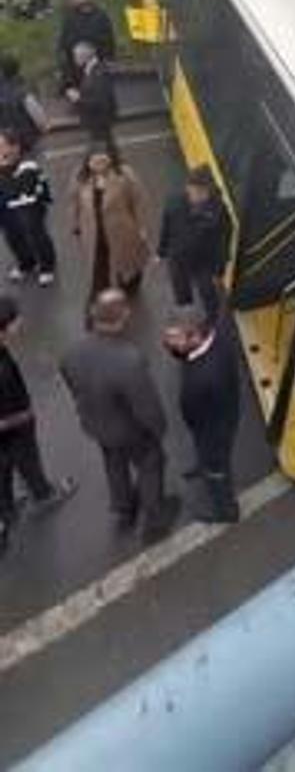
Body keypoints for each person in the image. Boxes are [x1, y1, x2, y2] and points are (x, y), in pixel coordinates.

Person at [60, 289, 179, 544]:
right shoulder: (129, 360)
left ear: (94, 314)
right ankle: (155, 519)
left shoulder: (71, 352)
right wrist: (159, 430)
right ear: (124, 316)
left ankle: (123, 506)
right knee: (150, 465)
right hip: (131, 431)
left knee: (114, 462)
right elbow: (146, 408)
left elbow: (72, 385)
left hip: (96, 425)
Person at [0, 294, 77, 554]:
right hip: (14, 429)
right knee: (27, 460)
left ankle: (7, 506)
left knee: (3, 470)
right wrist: (26, 415)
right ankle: (43, 493)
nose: (20, 322)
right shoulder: (3, 371)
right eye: (16, 319)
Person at [163, 317, 240, 524]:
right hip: (222, 414)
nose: (168, 343)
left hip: (213, 430)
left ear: (195, 337)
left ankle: (226, 511)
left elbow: (191, 414)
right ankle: (203, 465)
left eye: (174, 339)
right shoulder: (218, 338)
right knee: (208, 456)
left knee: (217, 469)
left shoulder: (201, 379)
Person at [71, 145, 150, 302]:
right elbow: (74, 203)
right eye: (95, 160)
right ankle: (103, 292)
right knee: (99, 262)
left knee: (127, 261)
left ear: (110, 159)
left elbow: (138, 201)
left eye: (103, 160)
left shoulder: (124, 174)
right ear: (88, 162)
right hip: (94, 230)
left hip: (121, 229)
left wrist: (142, 226)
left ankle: (130, 285)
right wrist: (76, 225)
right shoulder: (80, 177)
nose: (99, 164)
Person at [158, 167, 232, 326]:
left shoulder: (219, 211)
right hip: (178, 256)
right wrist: (161, 251)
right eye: (193, 190)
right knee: (180, 286)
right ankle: (186, 311)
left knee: (208, 292)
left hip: (204, 262)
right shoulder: (174, 202)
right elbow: (166, 227)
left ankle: (213, 320)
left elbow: (223, 242)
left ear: (209, 190)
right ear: (187, 187)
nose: (196, 195)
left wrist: (219, 270)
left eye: (201, 192)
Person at [0, 128, 56, 285]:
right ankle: (26, 263)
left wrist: (4, 169)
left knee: (36, 236)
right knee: (13, 237)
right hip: (6, 209)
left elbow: (21, 189)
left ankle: (46, 267)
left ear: (15, 147)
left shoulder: (28, 165)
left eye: (3, 145)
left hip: (28, 208)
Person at [57, 0, 115, 93]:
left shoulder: (100, 17)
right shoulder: (70, 17)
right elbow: (64, 42)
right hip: (74, 65)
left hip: (95, 62)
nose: (70, 0)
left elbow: (108, 42)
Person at [65, 42, 117, 146]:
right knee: (107, 154)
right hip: (96, 124)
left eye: (76, 56)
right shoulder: (89, 71)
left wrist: (77, 99)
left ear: (85, 56)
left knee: (100, 156)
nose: (74, 59)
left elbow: (100, 101)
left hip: (100, 122)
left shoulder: (99, 72)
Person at [0, 54, 48, 152]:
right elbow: (38, 116)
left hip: (7, 142)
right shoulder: (22, 90)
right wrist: (43, 128)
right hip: (28, 141)